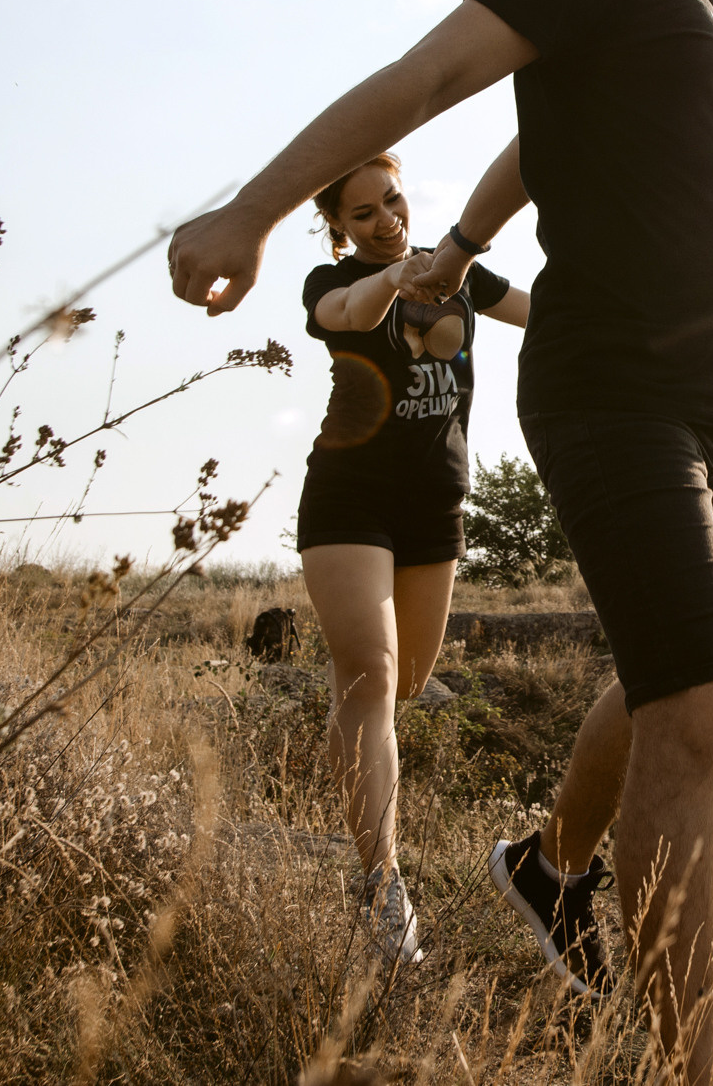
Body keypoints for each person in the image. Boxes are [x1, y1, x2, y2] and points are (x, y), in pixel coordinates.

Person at [169, 0, 713, 1086]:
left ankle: (551, 867)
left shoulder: (678, 2)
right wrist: (254, 210)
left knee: (678, 675)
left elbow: (539, 137)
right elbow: (425, 80)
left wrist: (457, 242)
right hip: (619, 384)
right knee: (697, 716)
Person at [293, 151, 527, 963]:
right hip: (348, 499)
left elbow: (543, 312)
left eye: (392, 200)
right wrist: (397, 276)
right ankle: (382, 886)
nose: (386, 219)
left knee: (406, 682)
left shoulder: (458, 272)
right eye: (363, 213)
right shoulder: (330, 283)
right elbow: (353, 314)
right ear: (336, 225)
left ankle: (352, 761)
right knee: (372, 673)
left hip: (435, 506)